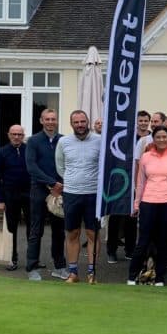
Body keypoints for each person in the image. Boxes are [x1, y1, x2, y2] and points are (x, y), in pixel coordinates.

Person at [128, 126, 167, 287]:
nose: (161, 140)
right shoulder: (146, 157)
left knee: (163, 242)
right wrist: (136, 204)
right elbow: (140, 182)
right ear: (153, 139)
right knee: (143, 241)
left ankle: (159, 278)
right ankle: (132, 276)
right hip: (148, 202)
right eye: (158, 137)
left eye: (164, 137)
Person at [55, 110, 101, 284]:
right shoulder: (63, 142)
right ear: (71, 124)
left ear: (87, 122)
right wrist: (72, 180)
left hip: (93, 194)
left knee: (92, 234)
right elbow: (60, 167)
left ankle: (91, 273)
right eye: (76, 122)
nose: (80, 125)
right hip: (72, 193)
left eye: (83, 121)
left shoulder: (99, 140)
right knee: (72, 233)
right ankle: (73, 273)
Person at [24, 109, 67, 281]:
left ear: (57, 121)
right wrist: (51, 183)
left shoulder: (63, 140)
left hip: (59, 191)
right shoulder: (33, 141)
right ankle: (31, 267)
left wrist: (60, 184)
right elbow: (31, 167)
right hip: (40, 190)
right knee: (36, 230)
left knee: (59, 231)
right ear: (41, 121)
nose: (50, 122)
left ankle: (59, 267)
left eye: (53, 119)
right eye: (47, 119)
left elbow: (68, 163)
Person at [0, 124, 30, 271]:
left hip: (29, 194)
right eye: (14, 134)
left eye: (19, 134)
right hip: (10, 195)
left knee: (33, 229)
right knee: (11, 228)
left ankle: (32, 260)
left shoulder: (29, 150)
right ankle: (12, 259)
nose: (16, 137)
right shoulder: (2, 152)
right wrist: (0, 200)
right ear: (9, 135)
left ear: (23, 136)